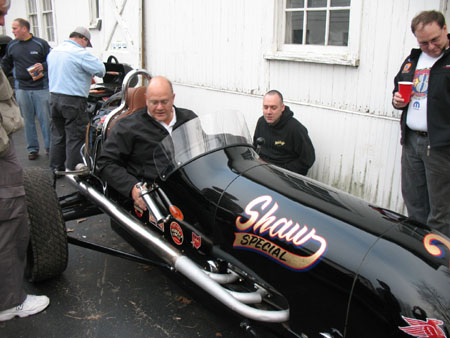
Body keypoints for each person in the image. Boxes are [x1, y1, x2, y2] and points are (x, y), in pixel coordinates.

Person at [0, 0, 50, 321]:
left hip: (38, 88)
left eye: (8, 15)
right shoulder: (11, 49)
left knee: (42, 127)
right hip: (3, 143)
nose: (4, 20)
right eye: (1, 10)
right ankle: (8, 302)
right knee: (7, 219)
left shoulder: (40, 45)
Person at [97, 76, 197, 210]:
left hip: (190, 185)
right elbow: (106, 163)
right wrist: (132, 187)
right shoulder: (128, 127)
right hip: (154, 193)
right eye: (154, 102)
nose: (159, 107)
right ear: (146, 99)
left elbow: (203, 145)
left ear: (173, 98)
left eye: (164, 102)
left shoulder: (189, 118)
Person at [392, 10, 450, 237]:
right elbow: (399, 88)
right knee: (414, 202)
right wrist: (397, 101)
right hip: (411, 140)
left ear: (445, 30)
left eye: (435, 39)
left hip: (440, 146)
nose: (431, 47)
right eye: (424, 42)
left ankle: (440, 264)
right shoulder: (413, 59)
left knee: (441, 211)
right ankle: (417, 252)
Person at [47, 26, 105, 172]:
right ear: (83, 39)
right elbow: (101, 70)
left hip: (54, 98)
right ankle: (73, 170)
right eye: (87, 43)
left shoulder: (54, 51)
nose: (86, 46)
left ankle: (56, 168)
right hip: (73, 101)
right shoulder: (80, 53)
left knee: (57, 135)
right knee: (75, 137)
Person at [1, 18, 51, 160]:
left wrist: (44, 66)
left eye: (15, 28)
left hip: (40, 88)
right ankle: (32, 149)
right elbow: (6, 64)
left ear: (24, 29)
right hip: (21, 88)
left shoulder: (40, 44)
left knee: (45, 120)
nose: (12, 31)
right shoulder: (12, 45)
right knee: (27, 120)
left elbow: (51, 60)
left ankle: (49, 147)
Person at [253, 90, 315, 176]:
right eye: (265, 107)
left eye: (273, 108)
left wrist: (284, 172)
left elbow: (308, 159)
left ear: (282, 108)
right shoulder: (261, 122)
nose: (268, 112)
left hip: (284, 177)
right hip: (262, 171)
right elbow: (255, 147)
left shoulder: (295, 128)